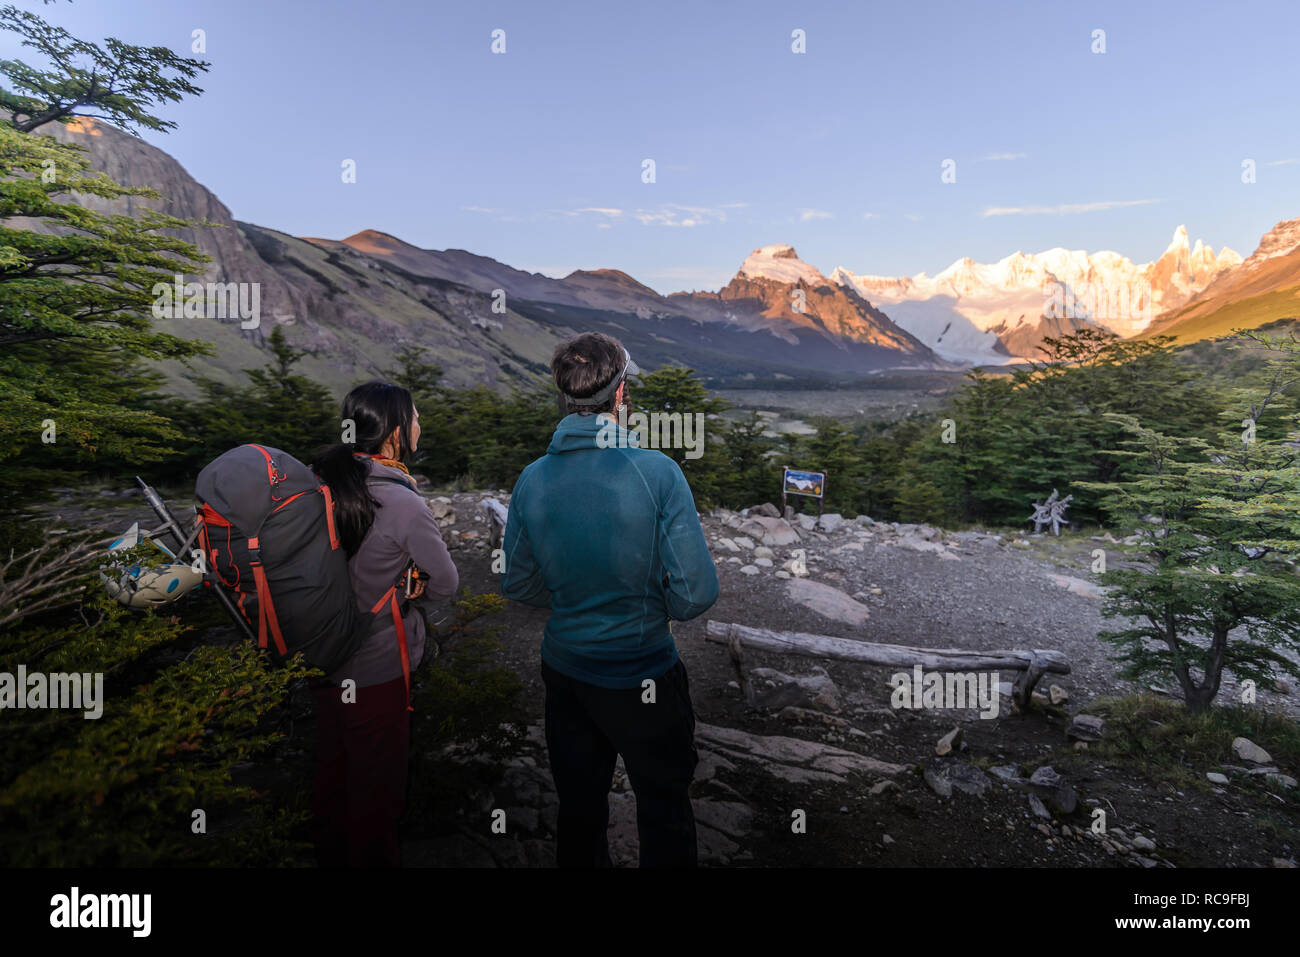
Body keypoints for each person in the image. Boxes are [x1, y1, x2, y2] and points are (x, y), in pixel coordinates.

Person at [501, 332, 719, 867]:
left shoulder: (532, 480)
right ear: (620, 395)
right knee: (664, 807)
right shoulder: (658, 474)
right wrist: (645, 604)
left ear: (565, 396)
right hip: (644, 670)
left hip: (567, 672)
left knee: (578, 810)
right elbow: (695, 595)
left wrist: (573, 597)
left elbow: (518, 583)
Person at [310, 380, 458, 867]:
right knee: (377, 796)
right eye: (415, 417)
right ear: (395, 431)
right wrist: (407, 584)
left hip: (314, 658)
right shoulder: (405, 502)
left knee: (331, 782)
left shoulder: (319, 483)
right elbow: (446, 584)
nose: (421, 424)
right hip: (376, 668)